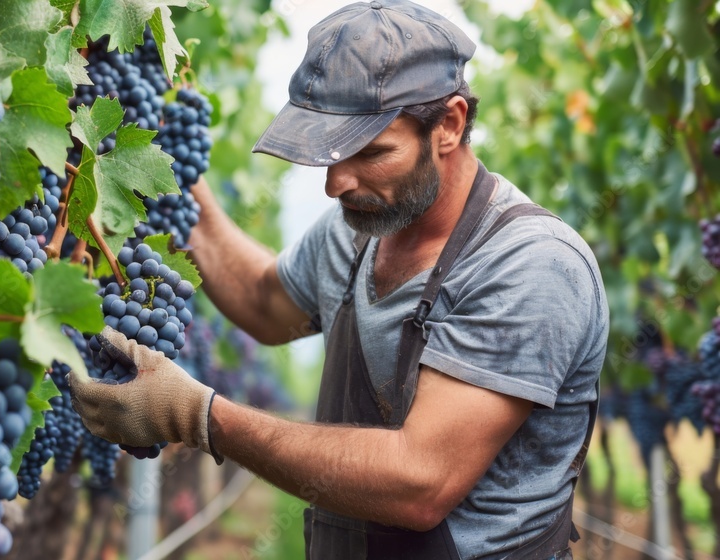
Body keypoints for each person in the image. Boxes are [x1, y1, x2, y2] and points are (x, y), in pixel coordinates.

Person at [70, 1, 608, 558]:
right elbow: (263, 300)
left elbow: (420, 483)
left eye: (370, 152)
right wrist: (146, 159)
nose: (335, 184)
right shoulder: (358, 231)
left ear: (449, 125)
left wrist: (200, 416)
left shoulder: (530, 264)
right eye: (325, 154)